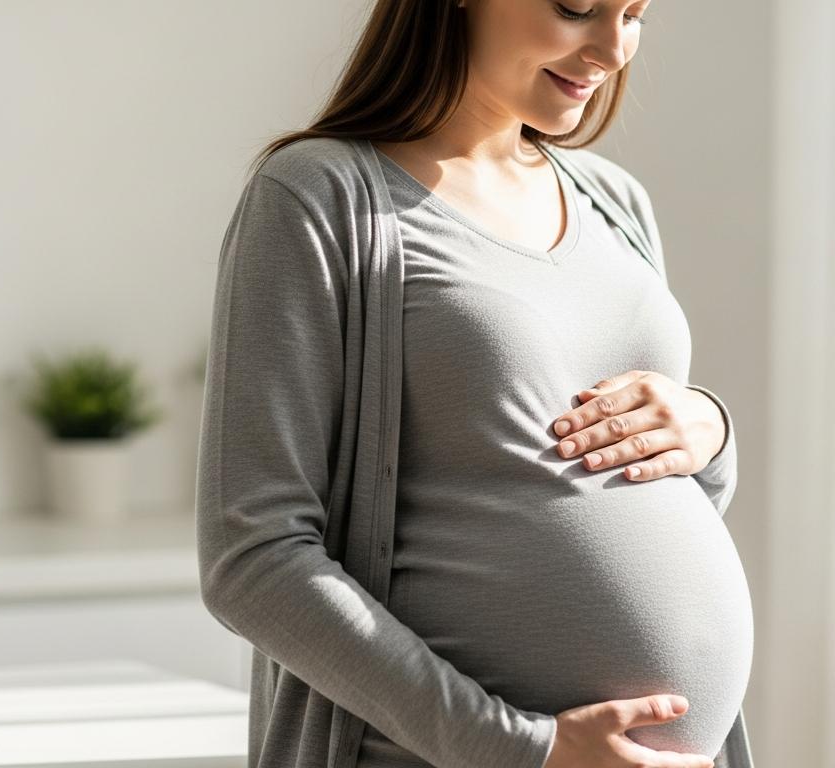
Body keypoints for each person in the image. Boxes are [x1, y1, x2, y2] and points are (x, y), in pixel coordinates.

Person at [196, 1, 754, 767]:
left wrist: (709, 432)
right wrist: (521, 750)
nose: (612, 49)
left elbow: (643, 489)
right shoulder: (319, 197)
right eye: (577, 7)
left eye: (634, 16)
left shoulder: (614, 202)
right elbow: (252, 560)